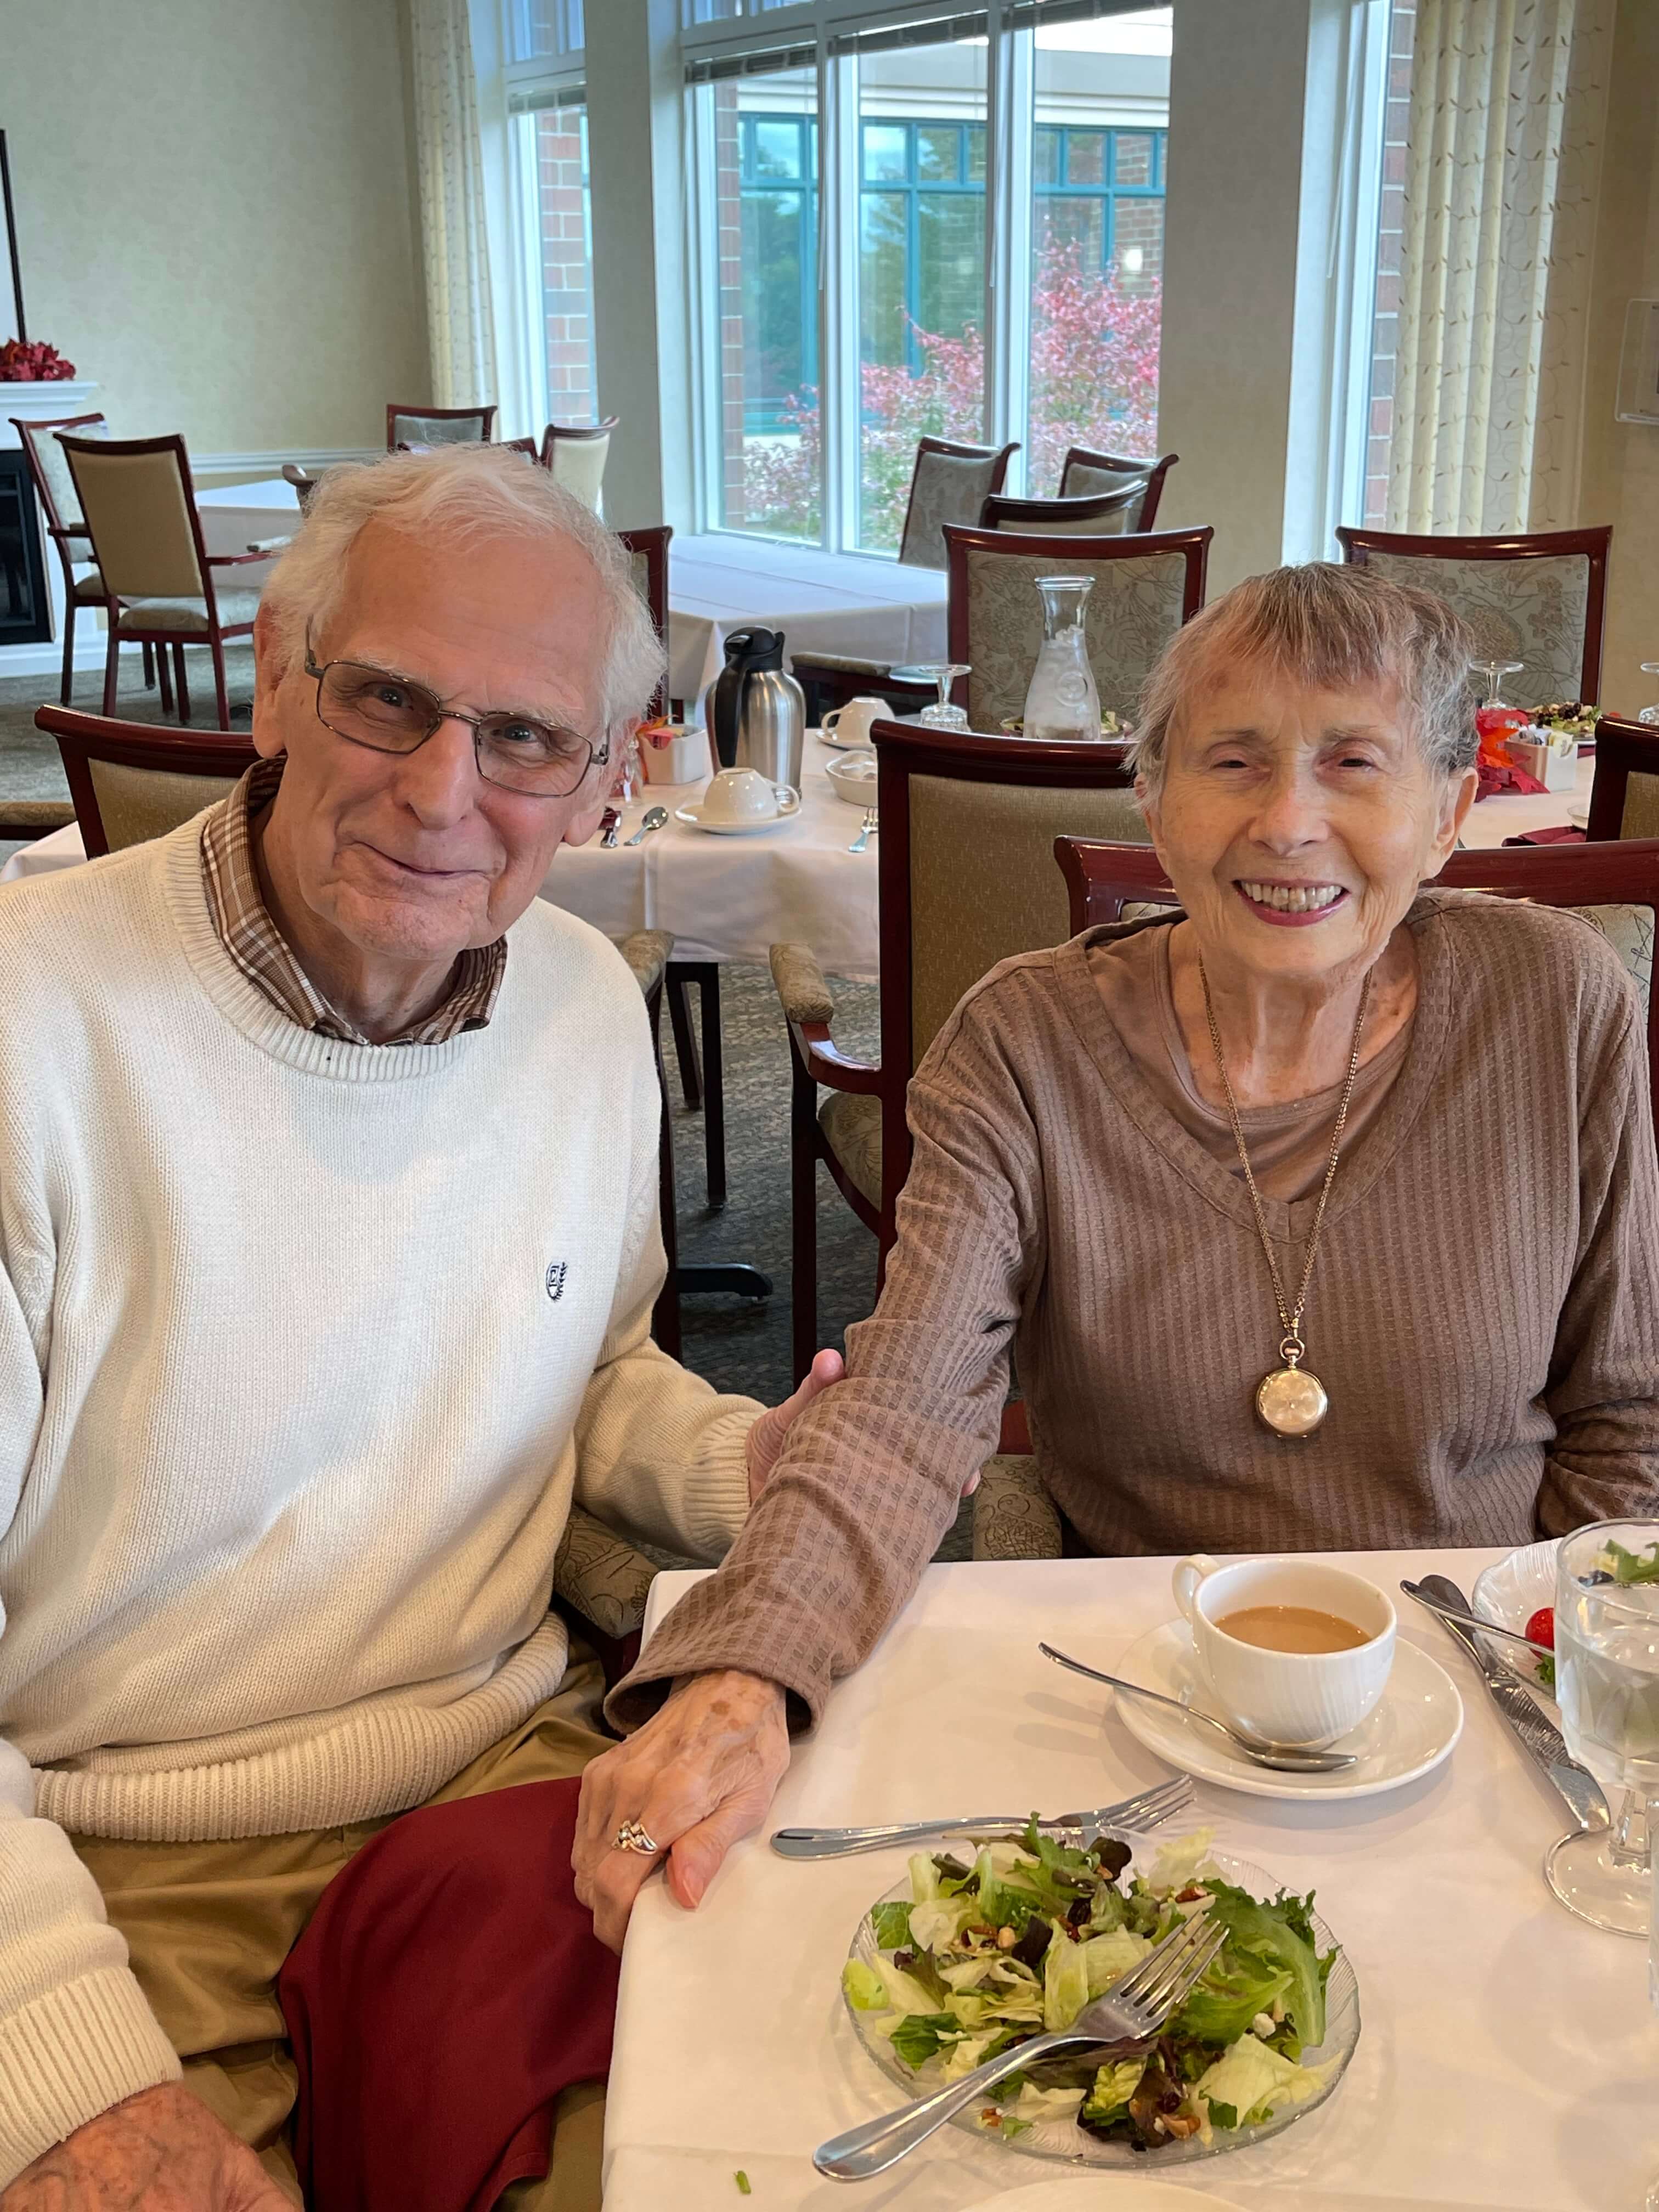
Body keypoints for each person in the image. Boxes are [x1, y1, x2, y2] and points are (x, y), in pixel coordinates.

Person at [575, 560, 1659, 1946]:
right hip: (1148, 1708)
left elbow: (1628, 1420)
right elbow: (905, 1409)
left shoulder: (1556, 1005)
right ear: (1151, 796)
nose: (1290, 822)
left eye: (1353, 763)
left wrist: (1564, 1725)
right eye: (1234, 760)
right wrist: (745, 1673)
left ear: (1451, 812)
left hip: (1478, 1702)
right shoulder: (1027, 1043)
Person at [0, 447, 840, 2209]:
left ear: (605, 781)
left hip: (510, 1774)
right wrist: (63, 2092)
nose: (446, 789)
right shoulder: (31, 1029)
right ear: (275, 684)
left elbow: (584, 1370)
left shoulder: (582, 1011)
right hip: (130, 1850)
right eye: (389, 700)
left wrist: (745, 1464)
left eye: (527, 737)